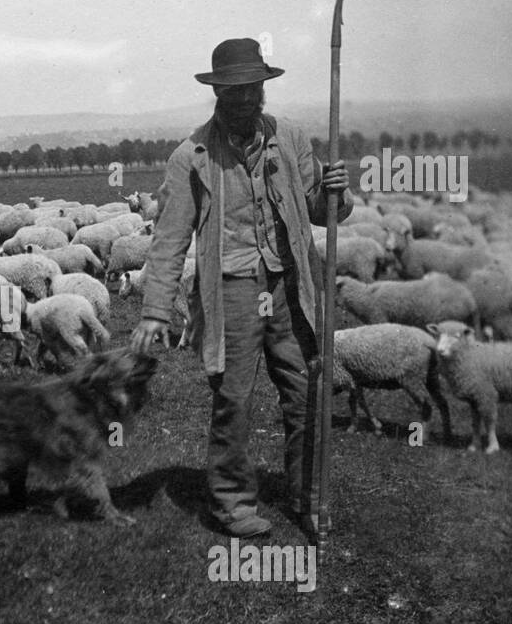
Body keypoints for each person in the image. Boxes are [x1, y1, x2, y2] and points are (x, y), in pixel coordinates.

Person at [129, 37, 352, 538]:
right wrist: (154, 312)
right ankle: (231, 502)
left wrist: (337, 192)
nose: (246, 101)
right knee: (234, 398)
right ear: (217, 94)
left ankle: (310, 496)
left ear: (263, 89)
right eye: (234, 92)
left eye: (253, 90)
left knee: (306, 390)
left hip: (290, 280)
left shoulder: (289, 138)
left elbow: (320, 208)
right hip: (233, 287)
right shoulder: (193, 157)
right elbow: (169, 238)